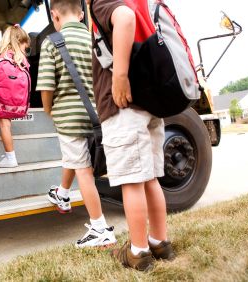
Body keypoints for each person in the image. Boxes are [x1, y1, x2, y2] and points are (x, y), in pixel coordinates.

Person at [88, 0, 175, 271]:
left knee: (131, 181)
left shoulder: (103, 2)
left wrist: (120, 76)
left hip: (123, 105)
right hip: (149, 102)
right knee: (149, 179)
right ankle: (160, 242)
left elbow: (124, 19)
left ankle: (138, 251)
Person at [36, 0, 116, 248]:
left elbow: (47, 86)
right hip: (97, 115)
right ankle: (62, 194)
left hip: (69, 117)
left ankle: (99, 227)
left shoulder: (52, 43)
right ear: (82, 15)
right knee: (77, 157)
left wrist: (50, 110)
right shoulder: (94, 40)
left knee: (83, 169)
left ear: (54, 15)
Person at [0, 25, 31, 168]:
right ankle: (9, 156)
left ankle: (10, 157)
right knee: (7, 123)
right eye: (25, 45)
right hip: (16, 101)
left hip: (0, 98)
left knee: (4, 125)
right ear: (21, 42)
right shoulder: (22, 59)